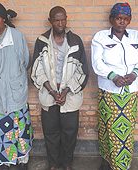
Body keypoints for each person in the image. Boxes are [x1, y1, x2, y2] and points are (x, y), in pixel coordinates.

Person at [91, 2, 138, 170]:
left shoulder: (137, 36)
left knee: (125, 132)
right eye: (118, 18)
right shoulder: (100, 37)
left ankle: (121, 166)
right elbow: (97, 63)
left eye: (125, 19)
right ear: (111, 19)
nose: (121, 22)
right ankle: (106, 159)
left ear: (129, 20)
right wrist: (113, 76)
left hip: (130, 93)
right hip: (109, 91)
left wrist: (134, 74)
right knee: (106, 127)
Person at [31, 6, 88, 170]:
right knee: (51, 133)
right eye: (56, 20)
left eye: (63, 19)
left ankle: (67, 164)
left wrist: (65, 91)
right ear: (50, 21)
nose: (60, 23)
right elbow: (36, 70)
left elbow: (82, 71)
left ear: (66, 19)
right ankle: (54, 164)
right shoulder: (42, 41)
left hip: (70, 96)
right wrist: (52, 91)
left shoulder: (75, 41)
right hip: (49, 96)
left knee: (70, 133)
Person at [0, 2, 33, 170]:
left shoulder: (16, 36)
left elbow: (25, 61)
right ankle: (3, 161)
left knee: (19, 128)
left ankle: (21, 160)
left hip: (15, 92)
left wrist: (14, 78)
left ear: (3, 18)